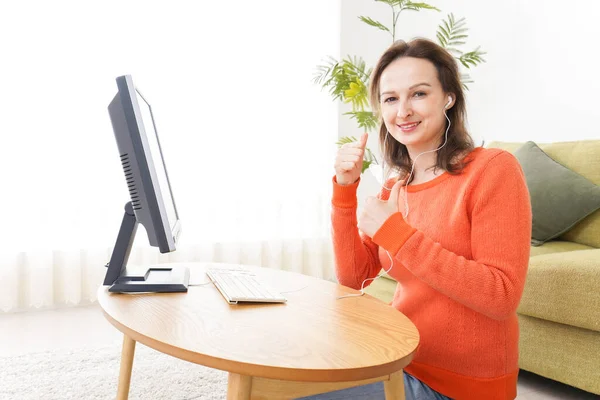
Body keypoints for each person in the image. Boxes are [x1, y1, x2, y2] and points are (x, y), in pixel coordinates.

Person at [309, 38, 532, 400]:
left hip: (459, 387)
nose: (403, 111)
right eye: (391, 98)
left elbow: (501, 294)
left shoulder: (493, 170)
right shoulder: (397, 186)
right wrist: (344, 191)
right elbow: (355, 277)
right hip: (399, 359)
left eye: (419, 94)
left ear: (449, 97)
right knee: (280, 378)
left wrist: (398, 235)